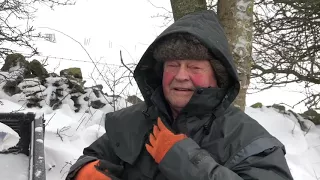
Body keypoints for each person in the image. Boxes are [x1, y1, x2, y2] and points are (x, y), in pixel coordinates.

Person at [66, 10, 294, 180]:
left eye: (195, 68)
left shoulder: (252, 141)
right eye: (173, 65)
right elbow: (92, 157)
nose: (181, 76)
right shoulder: (132, 121)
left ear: (218, 77)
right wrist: (83, 171)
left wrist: (184, 159)